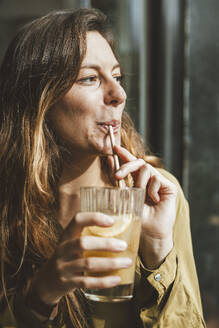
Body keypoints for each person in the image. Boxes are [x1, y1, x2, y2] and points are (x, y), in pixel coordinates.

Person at [0, 8, 206, 328]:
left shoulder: (157, 194)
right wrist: (41, 295)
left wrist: (157, 252)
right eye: (90, 78)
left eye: (117, 77)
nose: (119, 94)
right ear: (39, 98)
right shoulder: (7, 206)